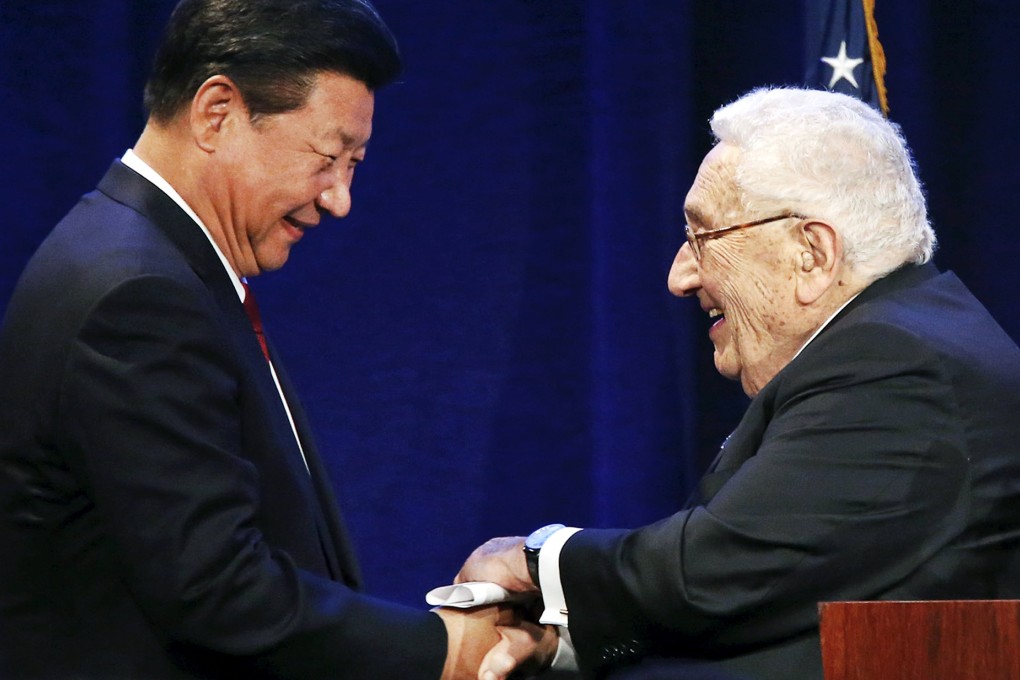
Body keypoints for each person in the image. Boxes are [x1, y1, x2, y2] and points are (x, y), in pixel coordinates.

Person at [0, 1, 529, 677]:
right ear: (216, 112)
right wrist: (444, 651)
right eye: (329, 156)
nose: (340, 198)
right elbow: (217, 589)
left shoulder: (149, 260)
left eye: (355, 163)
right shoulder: (136, 293)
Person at [456, 86, 1020, 680]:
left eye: (704, 237)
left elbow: (718, 569)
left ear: (812, 253)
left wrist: (536, 560)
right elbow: (780, 603)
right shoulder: (902, 341)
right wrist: (560, 642)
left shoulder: (897, 365)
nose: (681, 275)